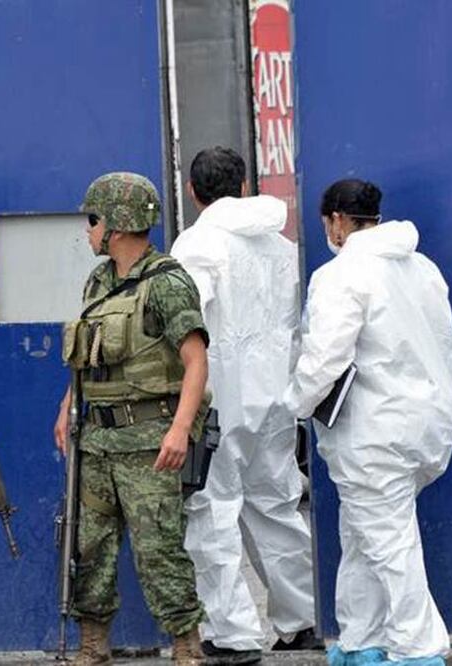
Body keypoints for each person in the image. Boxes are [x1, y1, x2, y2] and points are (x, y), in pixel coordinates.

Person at [283, 179, 452, 666]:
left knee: (387, 540)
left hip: (373, 431)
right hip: (426, 424)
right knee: (363, 534)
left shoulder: (342, 275)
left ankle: (419, 648)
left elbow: (324, 359)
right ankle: (362, 639)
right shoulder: (423, 268)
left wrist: (293, 404)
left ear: (337, 221)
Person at [170, 147, 321, 664]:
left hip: (219, 400)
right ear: (243, 184)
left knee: (211, 510)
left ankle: (232, 633)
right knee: (276, 505)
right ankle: (302, 619)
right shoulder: (281, 247)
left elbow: (189, 323)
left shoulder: (196, 245)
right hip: (275, 396)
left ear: (193, 191)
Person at [53, 172, 209, 666]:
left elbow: (196, 361)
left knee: (158, 549)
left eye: (92, 220)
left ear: (116, 226)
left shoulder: (167, 283)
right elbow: (87, 355)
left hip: (149, 443)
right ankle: (93, 645)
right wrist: (67, 408)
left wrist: (181, 429)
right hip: (96, 439)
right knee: (89, 547)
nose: (88, 231)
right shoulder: (99, 281)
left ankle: (187, 645)